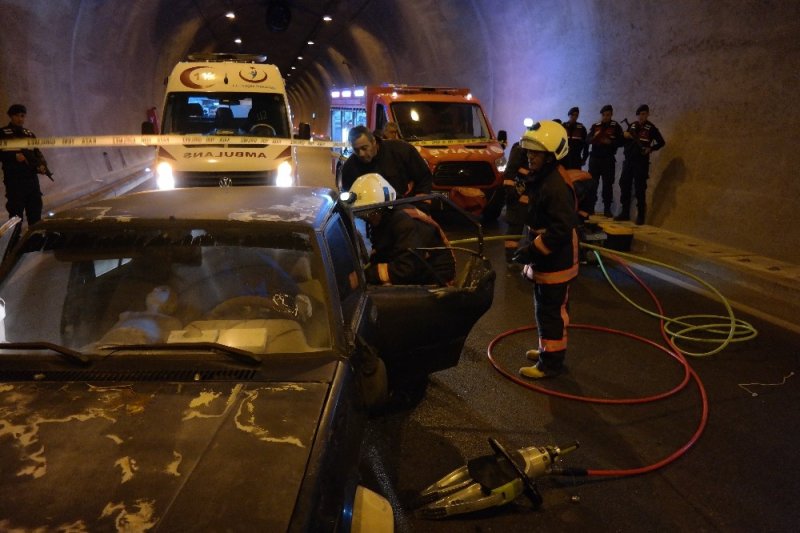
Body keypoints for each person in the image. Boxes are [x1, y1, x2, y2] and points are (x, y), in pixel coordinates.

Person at [511, 121, 579, 379]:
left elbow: (560, 230)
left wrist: (532, 251)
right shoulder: (543, 176)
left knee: (552, 312)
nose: (530, 156)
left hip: (556, 261)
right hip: (546, 257)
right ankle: (546, 349)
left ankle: (550, 363)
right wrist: (528, 248)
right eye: (529, 151)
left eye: (536, 153)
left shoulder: (555, 186)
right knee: (544, 308)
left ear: (552, 155)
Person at [350, 173, 455, 286]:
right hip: (418, 270)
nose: (368, 218)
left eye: (371, 213)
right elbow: (385, 251)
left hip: (436, 280)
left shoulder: (404, 222)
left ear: (385, 206)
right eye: (363, 215)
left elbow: (405, 269)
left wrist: (365, 276)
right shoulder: (386, 218)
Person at [340, 125, 432, 201]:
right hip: (369, 215)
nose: (361, 154)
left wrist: (422, 200)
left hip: (405, 207)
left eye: (364, 148)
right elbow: (348, 198)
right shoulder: (349, 168)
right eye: (356, 150)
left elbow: (423, 176)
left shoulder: (401, 150)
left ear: (374, 142)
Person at [616, 104, 666, 225]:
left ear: (647, 114)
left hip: (641, 162)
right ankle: (625, 212)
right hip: (628, 161)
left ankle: (641, 215)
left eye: (644, 114)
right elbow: (620, 142)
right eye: (640, 114)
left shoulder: (651, 128)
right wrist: (624, 135)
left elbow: (661, 142)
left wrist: (651, 148)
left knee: (640, 188)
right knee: (625, 184)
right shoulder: (632, 125)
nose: (641, 116)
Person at [0, 104, 49, 225]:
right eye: (17, 116)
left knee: (35, 214)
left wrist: (42, 166)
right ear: (11, 116)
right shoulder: (3, 134)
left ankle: (34, 241)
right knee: (16, 217)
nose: (20, 119)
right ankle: (15, 243)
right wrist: (13, 157)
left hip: (31, 181)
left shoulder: (29, 134)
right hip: (14, 181)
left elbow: (37, 153)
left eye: (22, 116)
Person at [582, 105, 624, 218]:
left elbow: (621, 141)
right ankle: (591, 208)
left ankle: (607, 209)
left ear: (611, 115)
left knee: (607, 185)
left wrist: (610, 142)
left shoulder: (616, 127)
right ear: (601, 115)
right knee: (592, 184)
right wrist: (594, 137)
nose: (606, 117)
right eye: (604, 115)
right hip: (595, 159)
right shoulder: (596, 126)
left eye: (608, 115)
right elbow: (587, 140)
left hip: (608, 159)